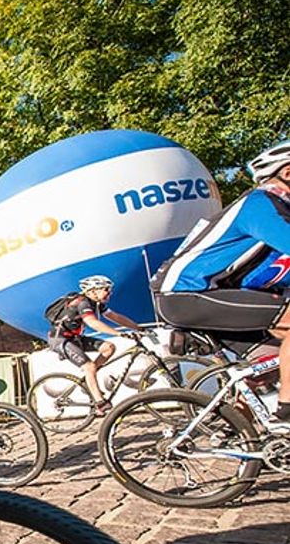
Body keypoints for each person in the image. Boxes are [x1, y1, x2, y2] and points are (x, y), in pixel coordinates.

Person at [155, 140, 290, 422]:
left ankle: (243, 438)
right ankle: (287, 413)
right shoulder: (261, 203)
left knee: (269, 362)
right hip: (186, 293)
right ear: (287, 173)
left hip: (213, 294)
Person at [46, 275, 143, 415]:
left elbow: (115, 317)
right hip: (60, 340)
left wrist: (138, 328)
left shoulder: (96, 304)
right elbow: (93, 323)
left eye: (109, 290)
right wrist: (118, 334)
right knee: (89, 366)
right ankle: (100, 403)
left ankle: (88, 379)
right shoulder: (82, 302)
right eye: (106, 290)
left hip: (75, 338)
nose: (109, 293)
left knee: (108, 348)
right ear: (93, 290)